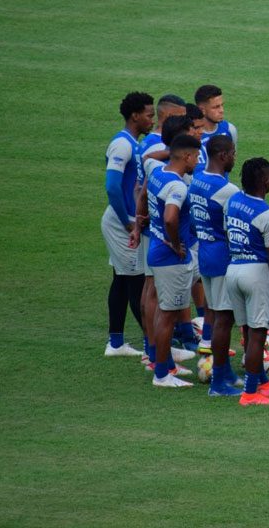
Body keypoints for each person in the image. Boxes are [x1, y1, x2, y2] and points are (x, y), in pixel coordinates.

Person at [224, 158, 269, 405]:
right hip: (257, 274)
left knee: (248, 330)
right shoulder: (268, 216)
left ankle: (262, 381)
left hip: (234, 270)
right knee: (258, 333)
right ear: (267, 182)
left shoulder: (233, 200)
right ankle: (250, 393)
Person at [145, 134, 202, 387]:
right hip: (171, 259)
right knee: (168, 316)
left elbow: (143, 181)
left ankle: (164, 364)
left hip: (156, 251)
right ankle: (162, 375)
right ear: (187, 157)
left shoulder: (157, 171)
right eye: (196, 156)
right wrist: (176, 242)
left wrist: (139, 220)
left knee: (162, 311)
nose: (198, 161)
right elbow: (170, 217)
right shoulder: (177, 186)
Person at [188, 135, 243, 396]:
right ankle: (219, 382)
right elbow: (235, 227)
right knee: (224, 319)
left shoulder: (197, 178)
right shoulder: (227, 191)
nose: (235, 157)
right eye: (232, 153)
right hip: (223, 259)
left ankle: (226, 372)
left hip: (205, 254)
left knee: (217, 313)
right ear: (223, 156)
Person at [102, 91, 154, 357]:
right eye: (149, 115)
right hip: (121, 221)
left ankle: (116, 343)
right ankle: (153, 347)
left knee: (121, 281)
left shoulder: (133, 143)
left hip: (127, 219)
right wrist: (127, 223)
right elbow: (112, 187)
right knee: (136, 283)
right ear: (135, 116)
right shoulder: (122, 145)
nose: (152, 119)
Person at [194, 84, 239, 171]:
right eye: (216, 107)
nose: (222, 110)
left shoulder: (229, 130)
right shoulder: (192, 134)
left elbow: (231, 162)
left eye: (222, 105)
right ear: (202, 110)